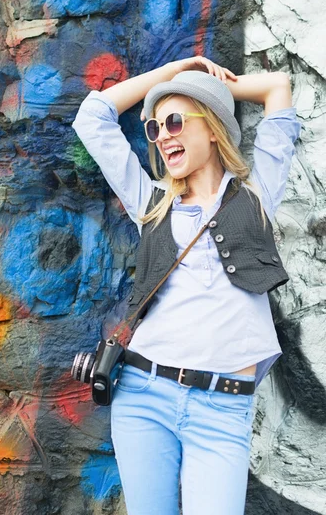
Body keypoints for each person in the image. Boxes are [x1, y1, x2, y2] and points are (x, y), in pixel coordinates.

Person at [72, 56, 301, 515]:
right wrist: (173, 72)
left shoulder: (255, 197)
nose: (163, 135)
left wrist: (206, 86)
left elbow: (278, 87)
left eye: (175, 121)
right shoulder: (151, 203)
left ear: (212, 128)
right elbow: (92, 118)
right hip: (142, 397)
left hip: (222, 411)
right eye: (155, 129)